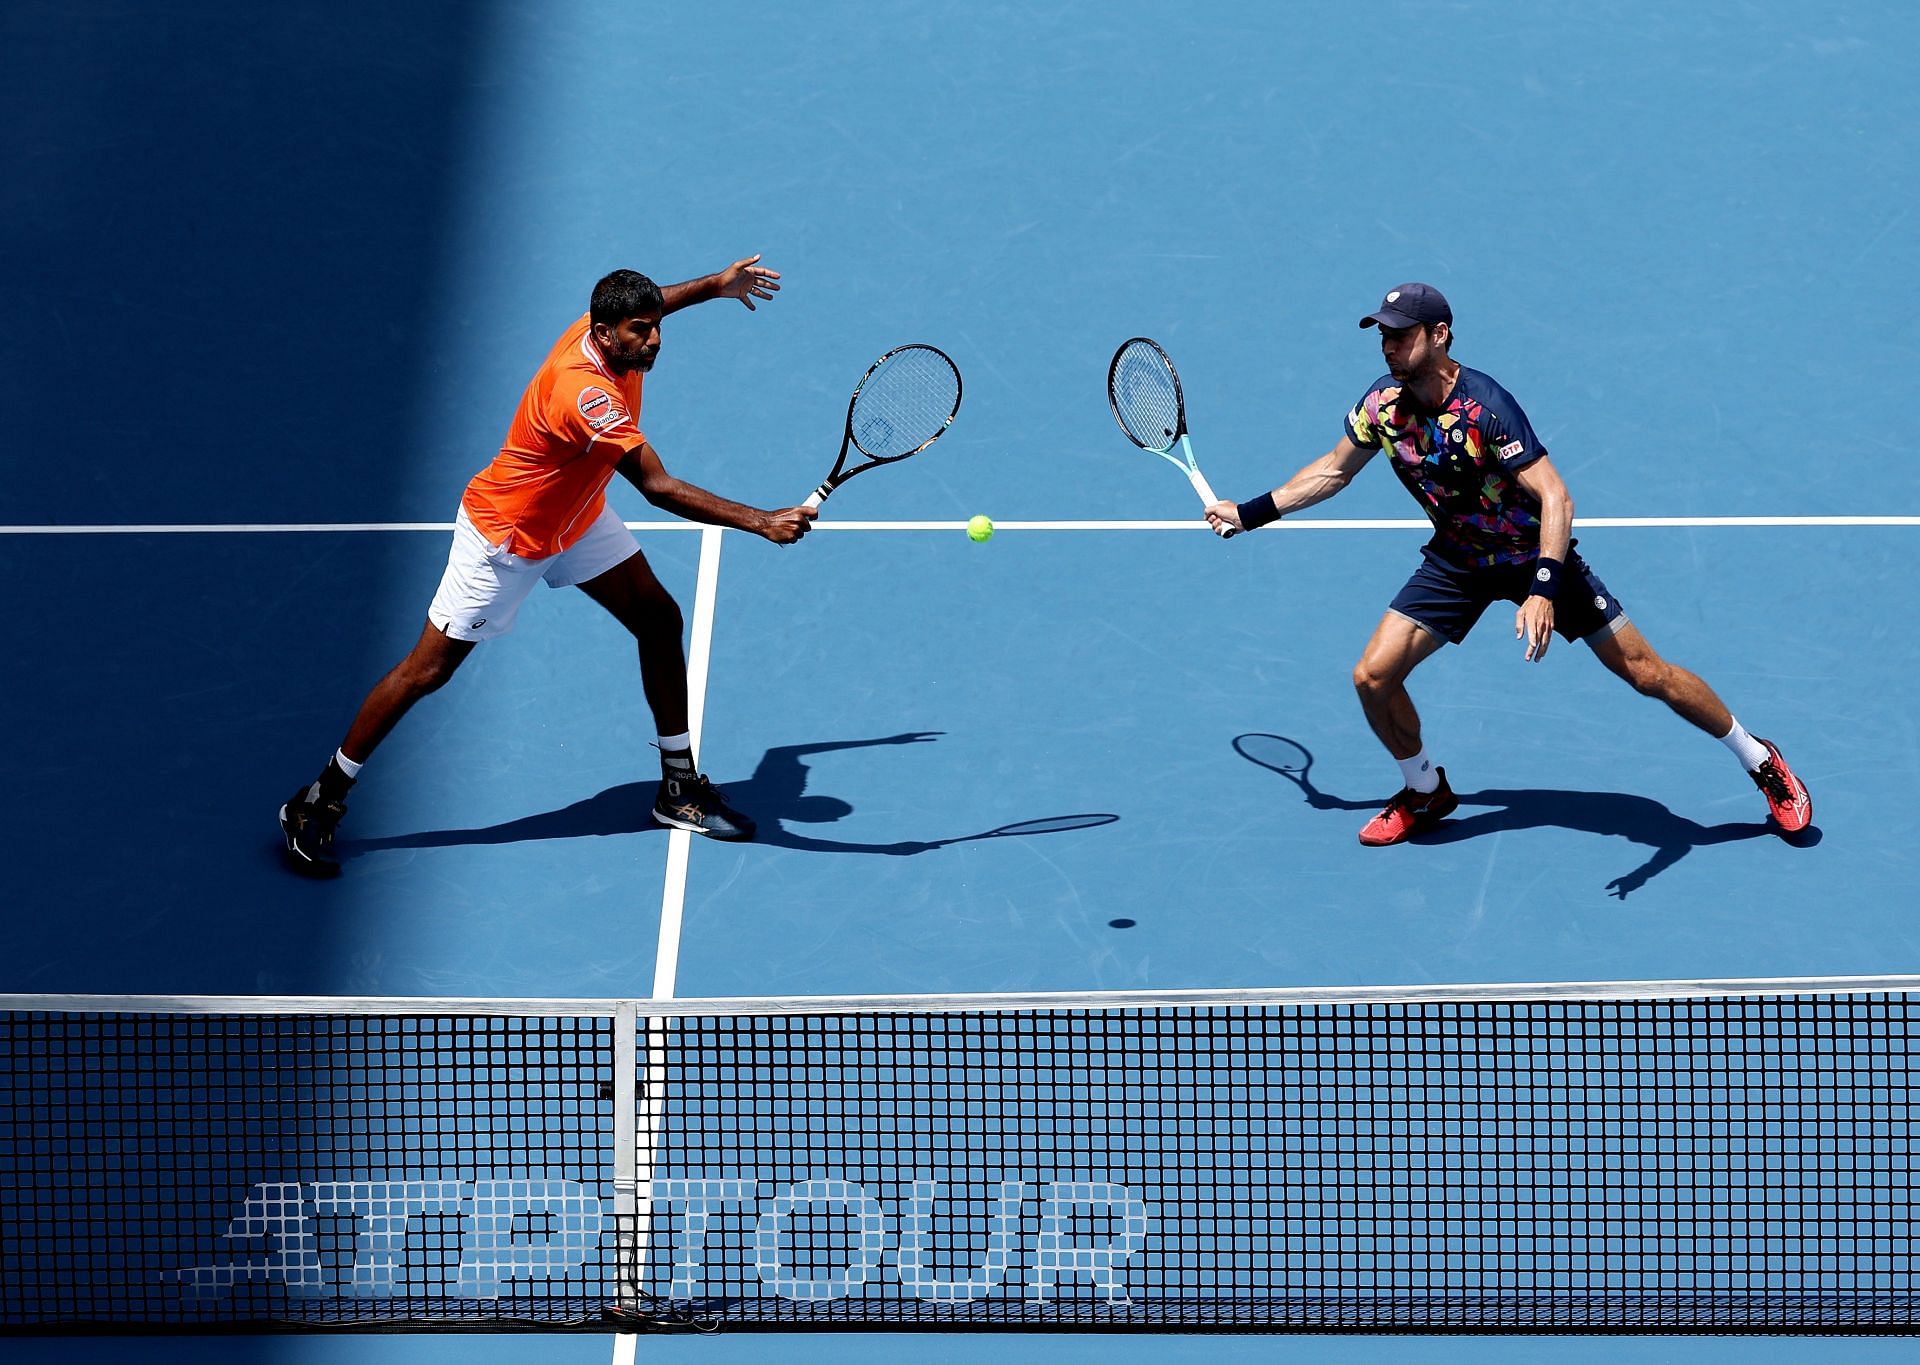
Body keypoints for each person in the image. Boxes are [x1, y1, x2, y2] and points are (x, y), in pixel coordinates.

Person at [1206, 282, 1812, 847]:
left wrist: (1544, 587)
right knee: (1372, 677)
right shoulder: (1382, 406)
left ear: (1439, 335)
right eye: (1383, 335)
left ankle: (1759, 759)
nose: (1389, 346)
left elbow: (1556, 497)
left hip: (1533, 557)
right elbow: (1334, 470)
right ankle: (1426, 790)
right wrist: (1250, 512)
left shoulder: (1487, 408)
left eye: (1401, 334)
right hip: (1457, 563)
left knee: (1648, 674)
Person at [280, 257, 816, 875]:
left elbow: (657, 299)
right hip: (510, 537)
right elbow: (658, 487)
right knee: (426, 672)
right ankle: (318, 798)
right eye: (641, 331)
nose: (654, 339)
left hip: (577, 515)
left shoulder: (605, 329)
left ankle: (677, 787)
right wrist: (761, 520)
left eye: (654, 326)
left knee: (659, 620)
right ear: (606, 330)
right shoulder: (584, 392)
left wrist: (716, 287)